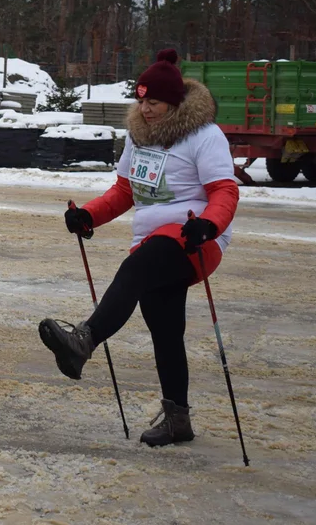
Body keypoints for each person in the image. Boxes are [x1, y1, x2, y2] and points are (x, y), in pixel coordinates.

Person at [38, 48, 239, 447]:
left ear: (175, 102)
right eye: (142, 101)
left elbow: (224, 190)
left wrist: (210, 225)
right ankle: (178, 419)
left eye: (155, 102)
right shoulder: (138, 136)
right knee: (164, 329)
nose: (147, 109)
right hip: (151, 240)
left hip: (193, 236)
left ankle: (84, 340)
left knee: (134, 271)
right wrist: (89, 215)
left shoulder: (204, 135)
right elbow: (125, 191)